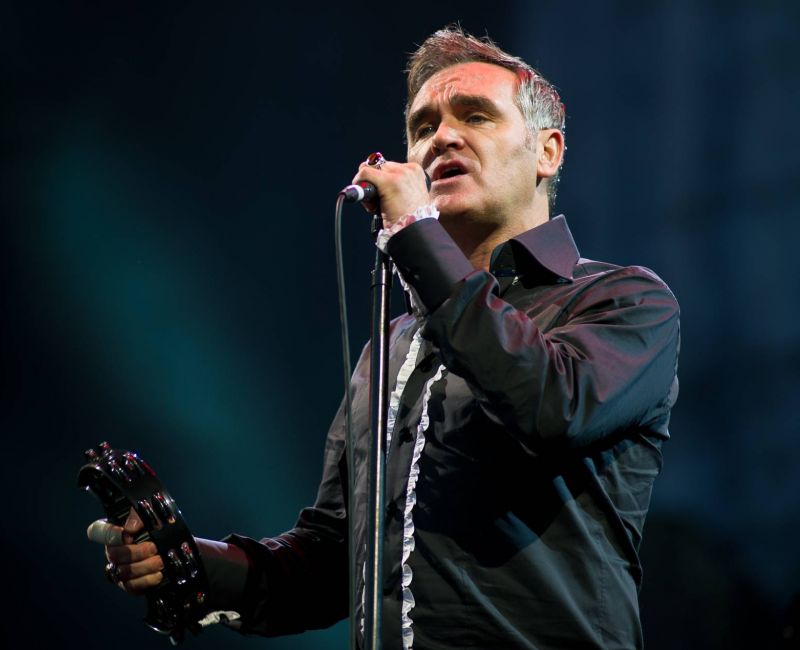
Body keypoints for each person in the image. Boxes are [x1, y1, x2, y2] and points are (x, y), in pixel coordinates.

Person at [87, 24, 680, 649]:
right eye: (423, 127)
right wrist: (189, 561)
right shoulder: (393, 346)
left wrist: (414, 235)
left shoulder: (621, 301)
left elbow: (549, 405)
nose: (442, 137)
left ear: (548, 152)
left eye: (475, 116)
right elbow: (331, 562)